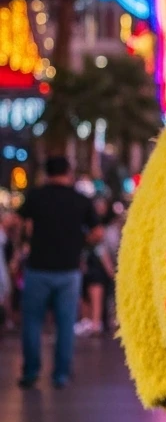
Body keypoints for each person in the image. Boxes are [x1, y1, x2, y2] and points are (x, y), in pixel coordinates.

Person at [15, 157, 101, 389]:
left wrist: (21, 247)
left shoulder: (35, 196)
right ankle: (60, 375)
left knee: (32, 322)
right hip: (69, 271)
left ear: (46, 173)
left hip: (37, 268)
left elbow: (16, 222)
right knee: (65, 325)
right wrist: (79, 240)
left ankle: (31, 372)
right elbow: (97, 233)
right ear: (68, 172)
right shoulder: (80, 200)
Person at [77, 195, 116, 336]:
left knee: (97, 293)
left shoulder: (105, 227)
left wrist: (109, 268)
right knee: (89, 293)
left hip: (98, 267)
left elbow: (103, 249)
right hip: (92, 264)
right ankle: (91, 321)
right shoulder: (91, 224)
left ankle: (96, 322)